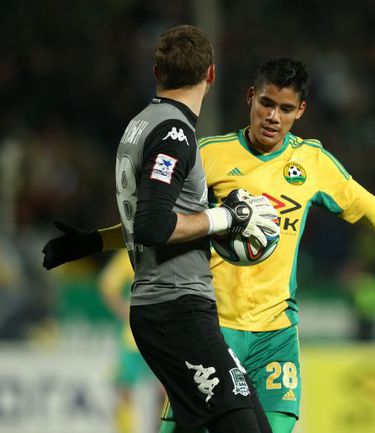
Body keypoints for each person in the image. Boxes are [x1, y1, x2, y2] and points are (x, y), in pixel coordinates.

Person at [42, 56, 375, 433]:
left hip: (276, 337)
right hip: (212, 331)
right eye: (266, 104)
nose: (273, 117)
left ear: (301, 111)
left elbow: (373, 211)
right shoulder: (210, 155)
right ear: (250, 98)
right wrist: (94, 242)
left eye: (285, 108)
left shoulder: (312, 163)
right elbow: (160, 222)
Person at [50, 25, 280, 433]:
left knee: (243, 422)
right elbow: (154, 225)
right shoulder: (174, 133)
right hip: (176, 308)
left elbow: (147, 217)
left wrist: (94, 241)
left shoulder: (140, 125)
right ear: (211, 74)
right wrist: (227, 218)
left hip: (168, 309)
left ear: (157, 72)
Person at [98, 250, 161, 433]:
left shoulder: (170, 251)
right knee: (125, 390)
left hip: (161, 337)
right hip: (136, 338)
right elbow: (107, 285)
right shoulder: (131, 253)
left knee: (165, 393)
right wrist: (126, 312)